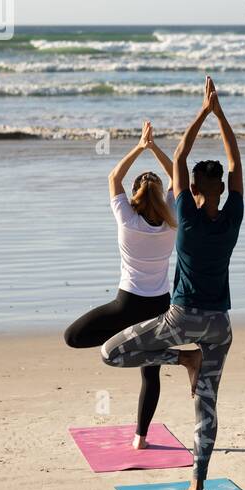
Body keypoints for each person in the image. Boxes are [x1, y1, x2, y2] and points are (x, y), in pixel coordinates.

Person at [100, 77, 244, 490]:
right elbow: (234, 163)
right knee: (207, 405)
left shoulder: (185, 214)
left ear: (193, 190)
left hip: (181, 318)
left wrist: (203, 111)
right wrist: (221, 115)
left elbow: (180, 156)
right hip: (220, 324)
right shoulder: (233, 214)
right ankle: (198, 479)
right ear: (221, 189)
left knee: (111, 353)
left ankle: (184, 359)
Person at [62, 121, 176, 450]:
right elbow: (177, 179)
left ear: (136, 196)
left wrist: (141, 146)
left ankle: (127, 347)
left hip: (126, 305)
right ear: (160, 195)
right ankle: (141, 438)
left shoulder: (127, 220)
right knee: (150, 373)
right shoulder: (173, 220)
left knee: (73, 337)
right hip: (160, 306)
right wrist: (156, 149)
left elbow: (114, 177)